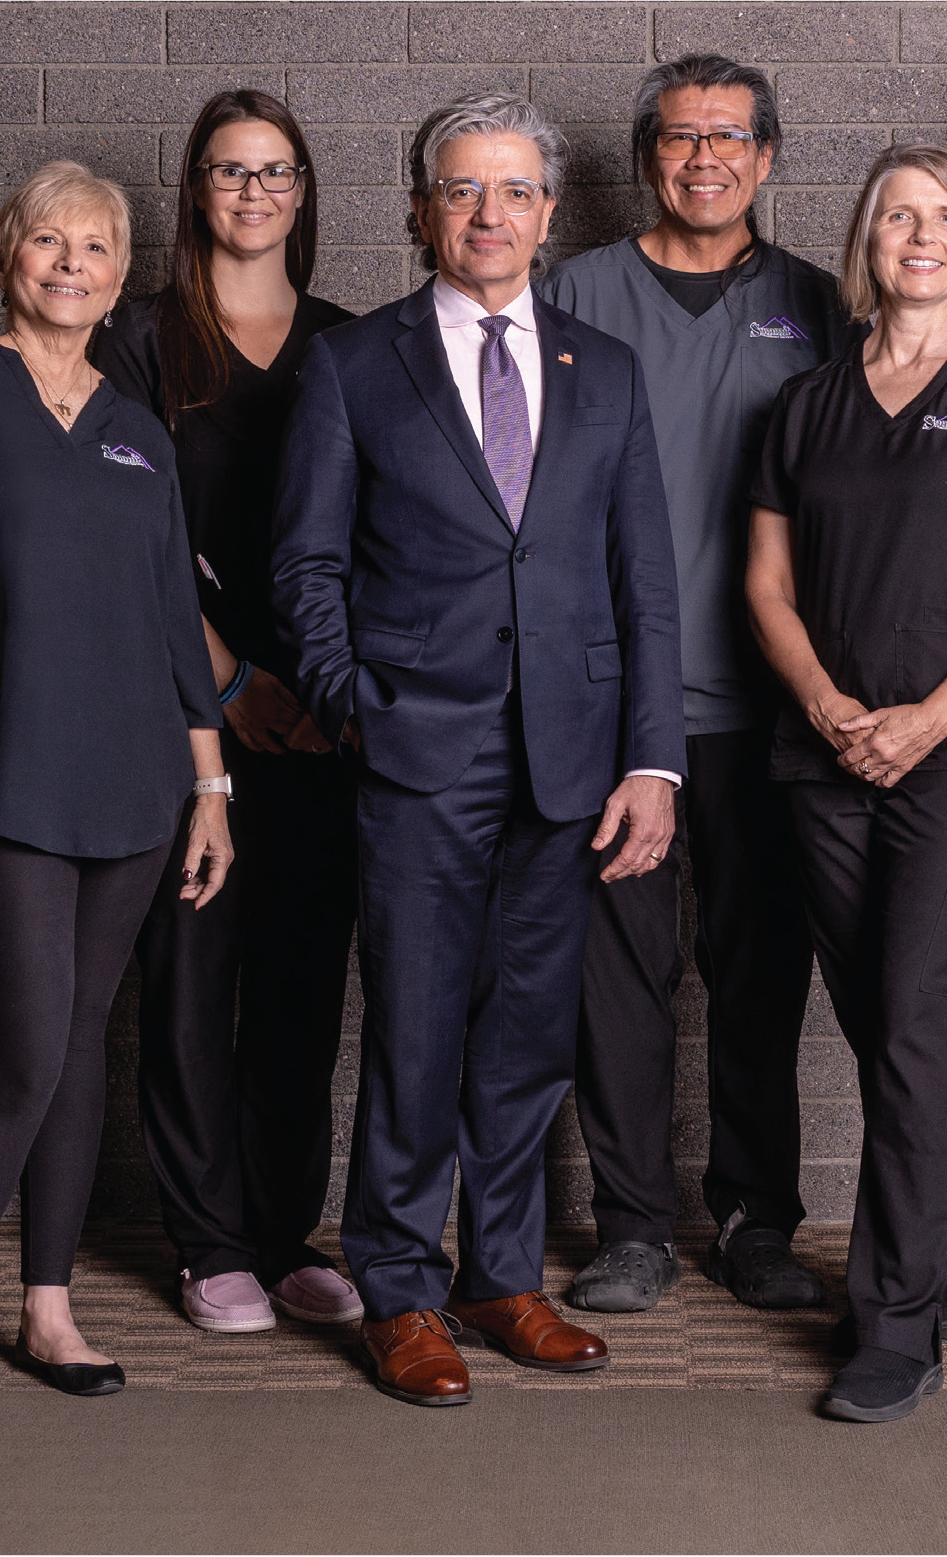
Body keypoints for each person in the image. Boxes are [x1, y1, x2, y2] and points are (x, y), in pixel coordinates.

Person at [271, 91, 685, 1408]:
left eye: (512, 190)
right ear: (418, 209)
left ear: (548, 215)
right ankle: (399, 1286)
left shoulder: (601, 372)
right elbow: (307, 561)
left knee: (523, 1037)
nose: (488, 213)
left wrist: (653, 758)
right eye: (462, 189)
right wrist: (352, 699)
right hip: (415, 753)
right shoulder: (353, 366)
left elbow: (646, 582)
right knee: (414, 1028)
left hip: (568, 761)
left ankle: (499, 1277)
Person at [0, 162, 233, 1411]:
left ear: (122, 276)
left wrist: (212, 788)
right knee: (27, 1049)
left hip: (133, 785)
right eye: (47, 242)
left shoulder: (137, 430)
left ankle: (50, 1309)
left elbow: (176, 627)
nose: (70, 264)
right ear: (6, 255)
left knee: (80, 1053)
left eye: (95, 248)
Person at [747, 145, 947, 1423]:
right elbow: (765, 587)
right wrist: (833, 711)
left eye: (942, 217)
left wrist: (928, 720)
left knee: (920, 1021)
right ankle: (940, 1265)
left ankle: (891, 1324)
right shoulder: (805, 403)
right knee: (882, 1025)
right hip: (824, 759)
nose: (918, 235)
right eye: (896, 215)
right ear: (864, 243)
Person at [537, 53, 845, 1315]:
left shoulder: (825, 306)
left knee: (761, 975)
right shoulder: (573, 296)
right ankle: (630, 1223)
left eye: (729, 137)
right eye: (678, 138)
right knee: (616, 975)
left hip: (769, 709)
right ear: (645, 159)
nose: (703, 158)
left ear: (767, 158)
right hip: (615, 707)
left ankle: (756, 1219)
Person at [92, 90, 364, 1336]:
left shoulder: (352, 344)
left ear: (303, 192)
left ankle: (277, 1229)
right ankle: (206, 1244)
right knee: (194, 977)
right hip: (188, 715)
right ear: (195, 188)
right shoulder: (142, 341)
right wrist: (227, 684)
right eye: (226, 171)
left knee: (304, 985)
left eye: (274, 172)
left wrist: (322, 696)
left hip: (322, 723)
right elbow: (122, 535)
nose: (251, 193)